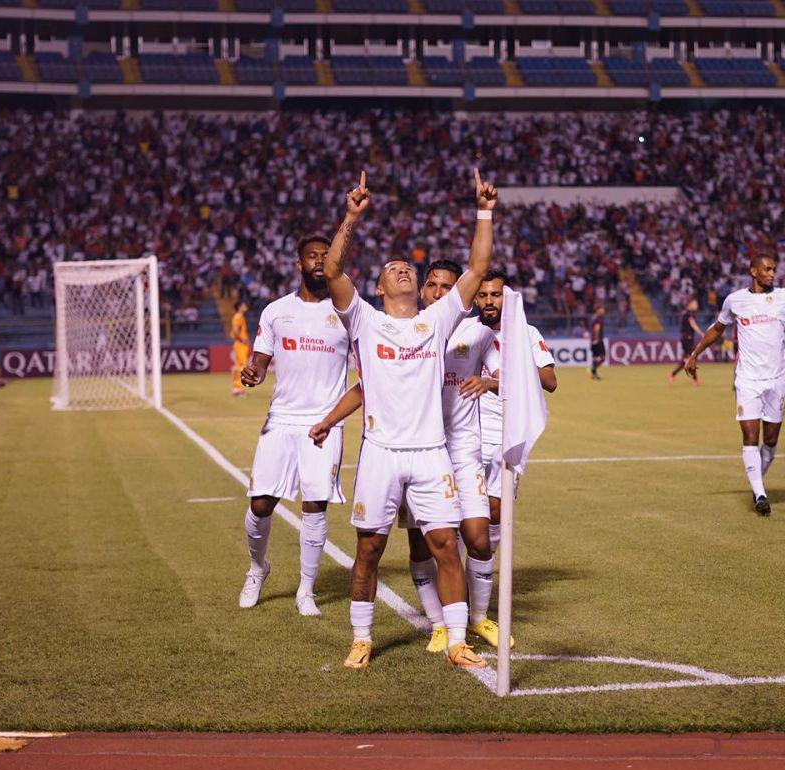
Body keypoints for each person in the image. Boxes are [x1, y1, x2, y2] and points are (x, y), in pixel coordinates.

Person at [319, 169, 496, 671]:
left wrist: (483, 210)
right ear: (375, 288)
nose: (402, 270)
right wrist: (351, 218)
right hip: (379, 454)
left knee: (446, 546)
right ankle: (361, 637)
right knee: (369, 550)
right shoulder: (364, 319)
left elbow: (479, 267)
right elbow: (333, 270)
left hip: (429, 453)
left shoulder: (434, 321)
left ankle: (458, 641)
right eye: (392, 268)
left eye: (408, 268)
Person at [235, 236, 347, 616]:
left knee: (315, 506)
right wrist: (253, 373)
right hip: (281, 419)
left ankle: (306, 590)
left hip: (324, 422)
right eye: (312, 257)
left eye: (325, 256)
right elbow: (261, 362)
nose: (319, 262)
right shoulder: (276, 311)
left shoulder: (347, 310)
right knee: (261, 504)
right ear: (299, 265)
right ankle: (257, 568)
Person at [684, 248, 785, 515]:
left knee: (771, 441)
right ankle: (760, 495)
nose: (772, 273)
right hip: (748, 380)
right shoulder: (735, 300)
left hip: (777, 380)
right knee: (750, 437)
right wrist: (695, 354)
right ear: (753, 271)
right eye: (767, 269)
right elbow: (717, 328)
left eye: (774, 269)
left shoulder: (784, 296)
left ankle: (757, 481)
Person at [478, 277, 558, 556]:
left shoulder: (527, 333)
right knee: (462, 515)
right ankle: (460, 589)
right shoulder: (465, 331)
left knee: (496, 510)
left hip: (506, 434)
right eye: (483, 295)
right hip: (467, 433)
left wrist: (516, 367)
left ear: (507, 297)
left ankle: (478, 577)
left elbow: (550, 381)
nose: (489, 301)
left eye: (496, 294)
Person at [668, 299, 705, 386]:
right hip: (687, 339)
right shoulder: (689, 314)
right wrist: (701, 333)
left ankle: (672, 374)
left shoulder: (685, 313)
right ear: (690, 304)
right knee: (691, 359)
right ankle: (695, 380)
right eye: (695, 304)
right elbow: (693, 324)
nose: (697, 306)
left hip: (686, 338)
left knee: (687, 360)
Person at [230, 299, 251, 397]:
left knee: (238, 366)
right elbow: (235, 331)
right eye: (243, 305)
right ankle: (238, 389)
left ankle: (236, 388)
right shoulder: (238, 317)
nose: (245, 306)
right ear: (239, 307)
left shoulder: (238, 316)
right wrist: (243, 340)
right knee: (243, 366)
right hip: (241, 345)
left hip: (238, 344)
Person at [589, 305, 605, 380]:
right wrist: (596, 339)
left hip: (593, 340)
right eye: (602, 309)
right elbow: (596, 329)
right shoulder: (598, 319)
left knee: (595, 357)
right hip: (598, 340)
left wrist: (592, 340)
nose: (603, 310)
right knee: (602, 357)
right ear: (598, 309)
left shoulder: (593, 317)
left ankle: (593, 373)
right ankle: (592, 370)